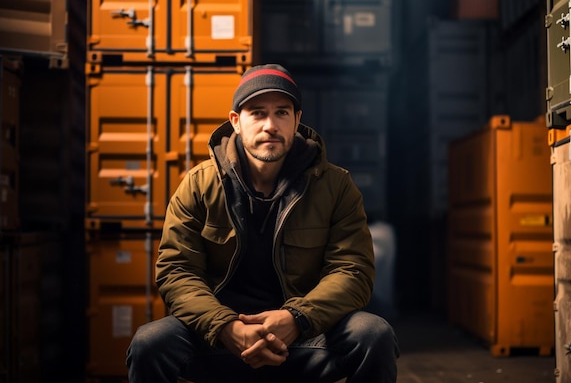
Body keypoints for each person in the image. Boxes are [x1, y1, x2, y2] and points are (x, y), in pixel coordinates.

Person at [126, 64, 399, 383]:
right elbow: (176, 270)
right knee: (150, 343)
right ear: (236, 122)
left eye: (282, 112)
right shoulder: (199, 185)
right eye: (257, 113)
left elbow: (353, 270)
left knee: (373, 334)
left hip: (305, 337)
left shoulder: (335, 186)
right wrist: (225, 326)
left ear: (297, 120)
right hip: (221, 338)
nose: (270, 125)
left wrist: (296, 318)